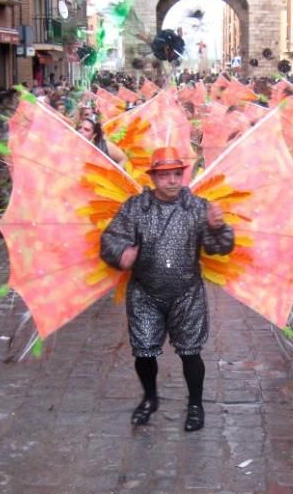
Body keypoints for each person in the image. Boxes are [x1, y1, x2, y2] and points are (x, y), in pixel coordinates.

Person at [99, 147, 234, 432]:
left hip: (187, 292)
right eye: (164, 176)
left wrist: (218, 228)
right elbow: (111, 237)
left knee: (190, 353)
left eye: (177, 174)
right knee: (144, 352)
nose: (172, 181)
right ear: (153, 177)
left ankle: (195, 405)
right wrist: (120, 253)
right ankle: (150, 398)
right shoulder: (136, 207)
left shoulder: (199, 207)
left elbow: (220, 248)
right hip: (145, 292)